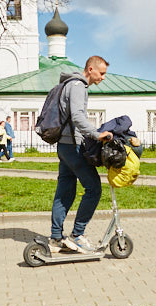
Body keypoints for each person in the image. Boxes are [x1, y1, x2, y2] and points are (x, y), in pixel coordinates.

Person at [49, 56, 114, 254]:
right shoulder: (78, 85)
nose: (103, 78)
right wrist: (96, 134)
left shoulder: (70, 84)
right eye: (101, 73)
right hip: (72, 146)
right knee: (94, 188)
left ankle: (56, 238)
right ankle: (77, 235)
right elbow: (77, 116)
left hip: (64, 146)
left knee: (65, 192)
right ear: (91, 68)